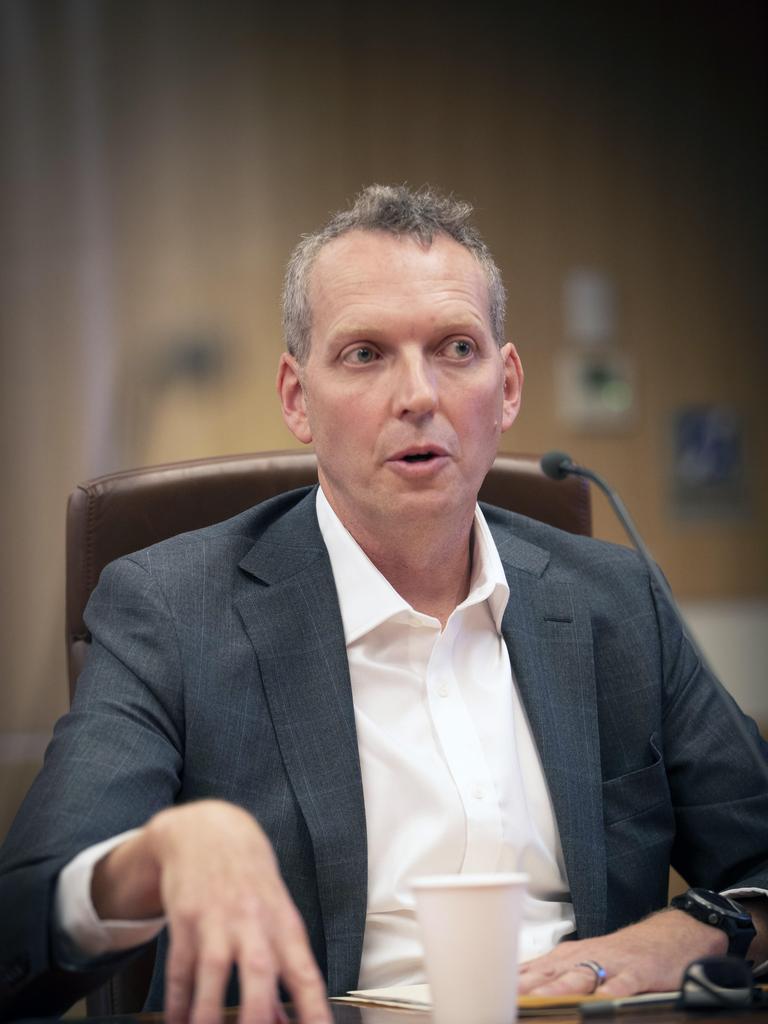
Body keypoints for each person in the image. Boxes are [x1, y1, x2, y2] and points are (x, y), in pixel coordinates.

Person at [0, 185, 766, 1024]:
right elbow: (20, 929)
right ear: (297, 398)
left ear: (506, 388)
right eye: (366, 354)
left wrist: (686, 931)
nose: (418, 395)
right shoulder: (172, 611)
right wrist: (155, 857)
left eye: (456, 348)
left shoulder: (615, 601)